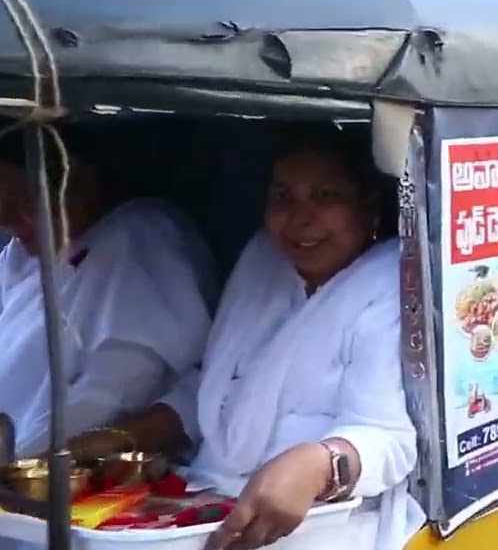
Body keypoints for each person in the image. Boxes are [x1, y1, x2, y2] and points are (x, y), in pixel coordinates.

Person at [68, 126, 420, 550]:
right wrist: (123, 438)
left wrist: (317, 464)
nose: (300, 219)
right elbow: (218, 386)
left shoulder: (389, 285)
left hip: (326, 525)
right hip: (205, 498)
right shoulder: (263, 263)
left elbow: (387, 436)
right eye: (282, 197)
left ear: (369, 209)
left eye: (326, 197)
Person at [0, 125, 215, 459]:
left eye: (22, 200)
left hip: (52, 472)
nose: (7, 219)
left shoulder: (141, 238)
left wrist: (18, 465)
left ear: (77, 181)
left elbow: (109, 398)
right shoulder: (20, 255)